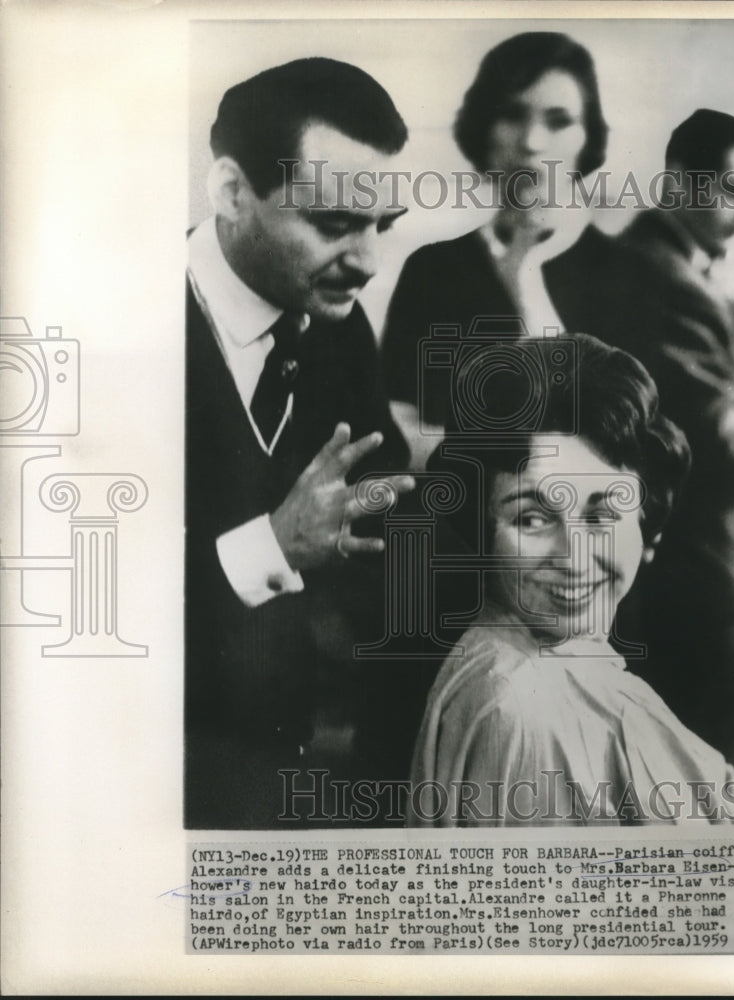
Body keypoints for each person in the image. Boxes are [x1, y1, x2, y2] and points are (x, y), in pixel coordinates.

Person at [185, 58, 415, 829]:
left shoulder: (340, 329)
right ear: (229, 191)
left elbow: (378, 501)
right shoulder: (113, 329)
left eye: (381, 224)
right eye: (333, 223)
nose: (369, 262)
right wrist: (275, 546)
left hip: (293, 755)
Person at [407, 335, 734, 827]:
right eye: (531, 518)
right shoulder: (521, 709)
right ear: (482, 533)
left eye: (603, 513)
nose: (573, 558)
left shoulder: (571, 666)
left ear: (648, 528)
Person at [608, 109, 734, 819]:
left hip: (699, 575)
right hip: (698, 583)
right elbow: (725, 445)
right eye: (732, 189)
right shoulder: (657, 276)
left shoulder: (674, 272)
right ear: (678, 183)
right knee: (703, 788)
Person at [380, 31, 623, 467]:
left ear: (587, 139)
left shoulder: (629, 273)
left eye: (558, 120)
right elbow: (398, 417)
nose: (531, 142)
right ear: (482, 128)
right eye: (512, 114)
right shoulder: (433, 270)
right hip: (455, 518)